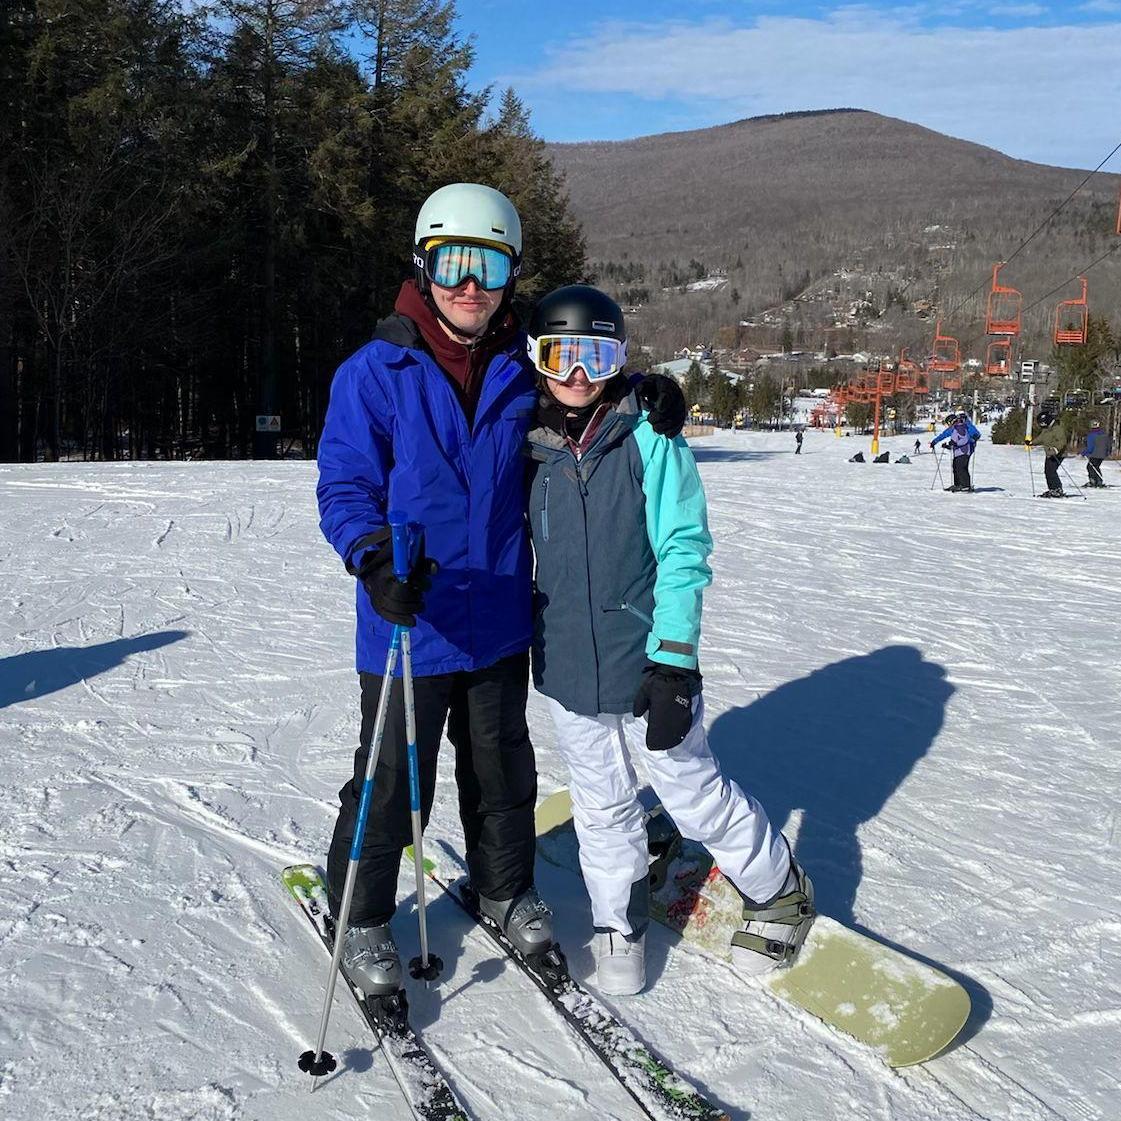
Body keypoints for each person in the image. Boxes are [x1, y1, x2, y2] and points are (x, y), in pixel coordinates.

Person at [316, 185, 688, 997]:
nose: (468, 283)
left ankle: (503, 886)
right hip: (409, 617)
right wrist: (372, 556)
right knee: (391, 779)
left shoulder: (525, 367)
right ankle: (364, 910)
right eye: (453, 261)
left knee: (501, 770)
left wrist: (643, 392)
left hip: (499, 620)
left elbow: (580, 391)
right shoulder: (376, 371)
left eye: (486, 264)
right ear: (424, 262)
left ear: (509, 272)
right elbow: (344, 485)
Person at [523, 285, 814, 997]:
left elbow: (684, 548)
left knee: (688, 791)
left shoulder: (649, 436)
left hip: (648, 660)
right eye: (561, 355)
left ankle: (778, 886)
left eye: (597, 355)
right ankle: (616, 919)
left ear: (619, 359)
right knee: (598, 801)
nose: (579, 373)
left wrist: (675, 659)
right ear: (535, 359)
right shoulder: (526, 444)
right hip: (566, 662)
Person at [931, 412, 980, 492]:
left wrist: (935, 441)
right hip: (960, 449)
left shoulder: (962, 425)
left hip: (966, 448)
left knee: (961, 467)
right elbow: (945, 434)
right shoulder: (956, 427)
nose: (948, 426)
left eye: (948, 424)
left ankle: (964, 485)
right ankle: (958, 484)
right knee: (956, 466)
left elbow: (975, 433)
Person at [1038, 419, 1070, 498]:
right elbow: (1041, 438)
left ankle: (1057, 489)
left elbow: (1062, 441)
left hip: (1058, 454)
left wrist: (1056, 449)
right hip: (1050, 454)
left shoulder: (1057, 429)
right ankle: (1052, 489)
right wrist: (1031, 442)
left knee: (1051, 471)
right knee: (1048, 471)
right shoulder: (1046, 430)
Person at [1080, 420, 1112, 488]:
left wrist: (1083, 453)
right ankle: (1098, 481)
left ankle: (1093, 481)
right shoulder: (1104, 434)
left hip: (1095, 454)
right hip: (1102, 454)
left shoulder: (1091, 435)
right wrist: (1108, 452)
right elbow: (1109, 444)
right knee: (1096, 467)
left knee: (1090, 467)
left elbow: (1090, 448)